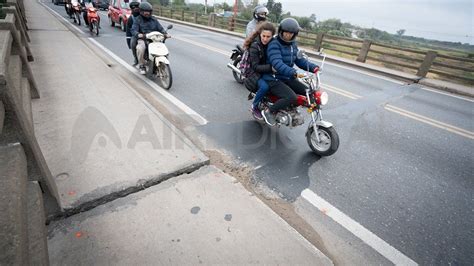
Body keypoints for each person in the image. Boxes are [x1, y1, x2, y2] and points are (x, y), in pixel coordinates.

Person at [261, 18, 320, 126]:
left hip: (287, 77)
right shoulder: (274, 44)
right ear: (281, 31)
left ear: (294, 34)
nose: (288, 35)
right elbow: (277, 63)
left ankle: (290, 109)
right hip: (273, 78)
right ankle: (269, 111)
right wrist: (293, 72)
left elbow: (299, 60)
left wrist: (314, 68)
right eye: (286, 33)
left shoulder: (293, 45)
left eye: (291, 33)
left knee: (309, 92)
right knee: (291, 96)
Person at [242, 22, 276, 120]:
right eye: (263, 36)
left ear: (272, 36)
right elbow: (255, 66)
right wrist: (271, 68)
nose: (265, 39)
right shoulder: (255, 46)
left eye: (268, 37)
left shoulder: (273, 44)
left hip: (266, 70)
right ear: (260, 34)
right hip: (254, 73)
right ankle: (254, 106)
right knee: (265, 87)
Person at [131, 2, 171, 75]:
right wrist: (138, 34)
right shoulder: (137, 19)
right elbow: (133, 30)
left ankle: (161, 63)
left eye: (149, 12)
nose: (147, 13)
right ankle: (142, 65)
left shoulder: (154, 19)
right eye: (146, 11)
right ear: (141, 11)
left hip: (154, 39)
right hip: (143, 38)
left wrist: (165, 34)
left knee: (163, 48)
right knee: (140, 48)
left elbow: (160, 28)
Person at [126, 1, 141, 66]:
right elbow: (128, 31)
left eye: (137, 7)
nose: (136, 9)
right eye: (134, 8)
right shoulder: (131, 19)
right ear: (131, 9)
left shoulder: (144, 15)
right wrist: (128, 41)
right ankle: (136, 58)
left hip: (146, 33)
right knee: (133, 44)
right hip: (136, 35)